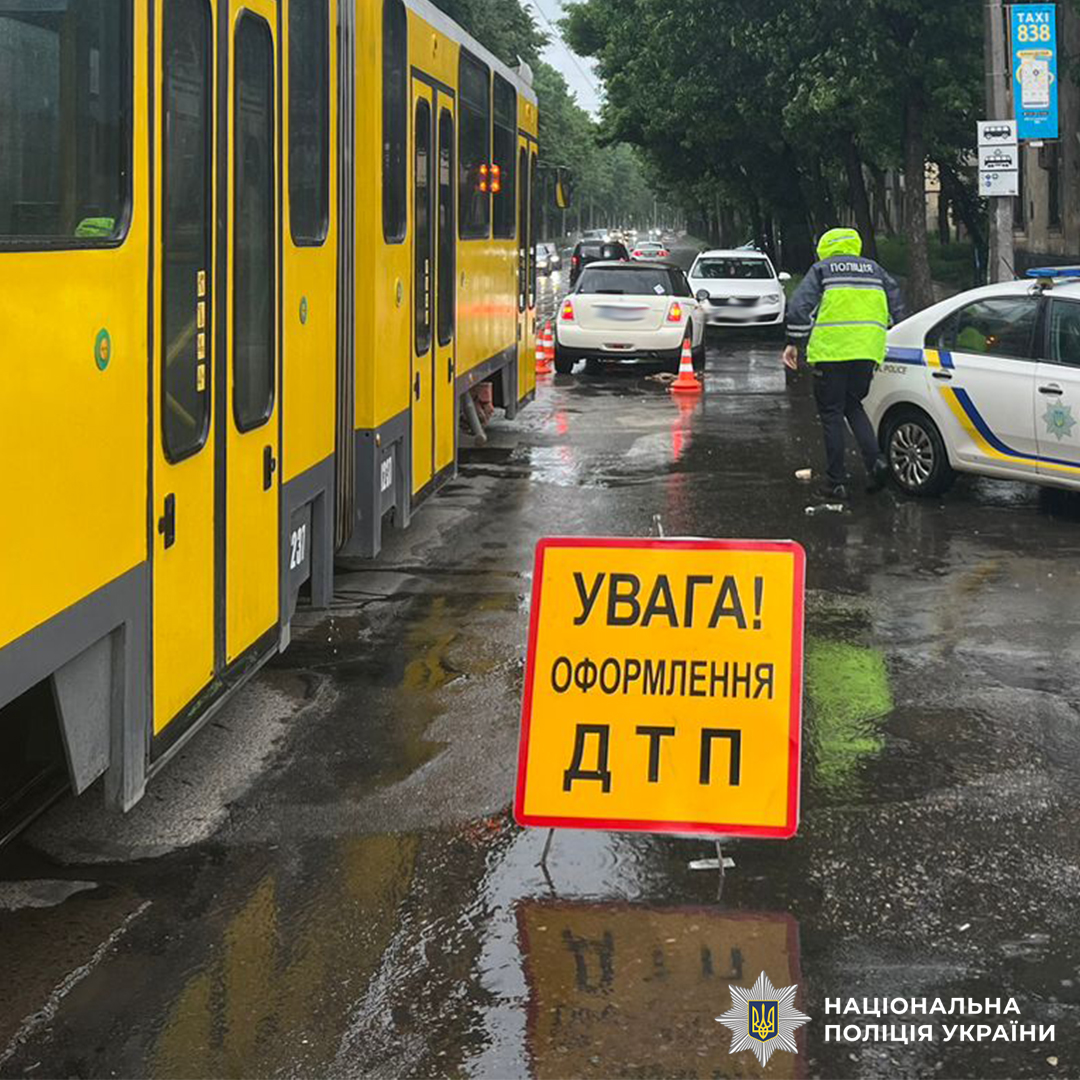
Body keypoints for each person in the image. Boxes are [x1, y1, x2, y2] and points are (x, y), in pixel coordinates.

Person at [783, 227, 906, 501]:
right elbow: (897, 306)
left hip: (831, 354)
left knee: (831, 414)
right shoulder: (875, 270)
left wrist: (793, 342)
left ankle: (835, 481)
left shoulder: (823, 270)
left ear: (825, 247)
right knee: (853, 404)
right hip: (867, 353)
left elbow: (799, 308)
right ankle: (876, 462)